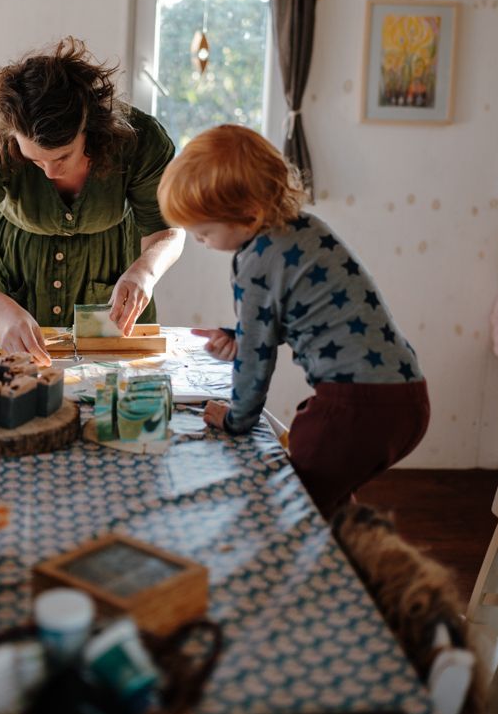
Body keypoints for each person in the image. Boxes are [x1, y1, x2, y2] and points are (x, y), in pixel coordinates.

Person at [157, 124, 430, 517]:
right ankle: (356, 553)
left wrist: (236, 419)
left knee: (291, 510)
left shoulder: (252, 262)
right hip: (406, 394)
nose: (202, 242)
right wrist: (240, 335)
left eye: (204, 234)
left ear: (249, 217)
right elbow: (310, 312)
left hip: (359, 405)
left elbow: (256, 361)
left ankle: (342, 569)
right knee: (327, 499)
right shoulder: (307, 228)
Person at [0, 37, 185, 364]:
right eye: (35, 161)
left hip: (109, 304)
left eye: (63, 156)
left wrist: (144, 273)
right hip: (12, 292)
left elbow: (167, 231)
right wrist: (1, 312)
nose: (50, 172)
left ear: (91, 128)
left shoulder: (141, 139)